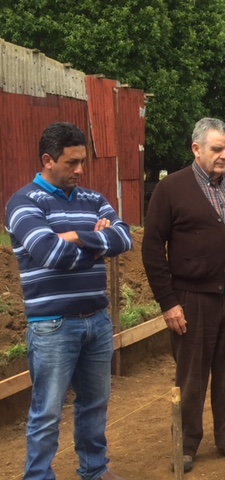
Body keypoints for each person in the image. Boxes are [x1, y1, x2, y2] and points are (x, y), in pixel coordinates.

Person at [5, 122, 133, 480]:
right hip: (52, 325)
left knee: (95, 405)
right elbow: (49, 252)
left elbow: (124, 240)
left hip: (98, 320)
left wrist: (75, 236)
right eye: (71, 163)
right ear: (48, 160)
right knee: (47, 412)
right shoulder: (22, 202)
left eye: (82, 163)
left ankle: (95, 471)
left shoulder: (93, 199)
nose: (80, 170)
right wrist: (95, 242)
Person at [142, 117, 225, 472]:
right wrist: (169, 303)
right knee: (191, 376)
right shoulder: (172, 189)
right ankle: (187, 445)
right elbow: (152, 248)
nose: (224, 155)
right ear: (197, 149)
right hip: (191, 297)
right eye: (217, 149)